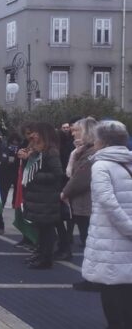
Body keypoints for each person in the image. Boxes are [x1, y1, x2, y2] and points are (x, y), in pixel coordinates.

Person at [82, 120, 132, 328]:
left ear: (102, 141)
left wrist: (128, 227)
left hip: (110, 236)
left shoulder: (101, 165)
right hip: (124, 237)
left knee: (110, 287)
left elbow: (107, 201)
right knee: (127, 286)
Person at [19, 122, 64, 270]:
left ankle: (46, 258)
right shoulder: (38, 152)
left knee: (47, 229)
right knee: (40, 228)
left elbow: (58, 174)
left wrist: (37, 176)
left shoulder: (51, 152)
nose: (33, 136)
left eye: (36, 133)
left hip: (46, 197)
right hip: (37, 196)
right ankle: (40, 253)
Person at [61, 117, 98, 250]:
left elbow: (80, 178)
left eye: (76, 130)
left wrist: (65, 192)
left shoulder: (91, 152)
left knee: (88, 239)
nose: (72, 133)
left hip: (86, 202)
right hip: (82, 202)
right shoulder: (80, 151)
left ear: (87, 132)